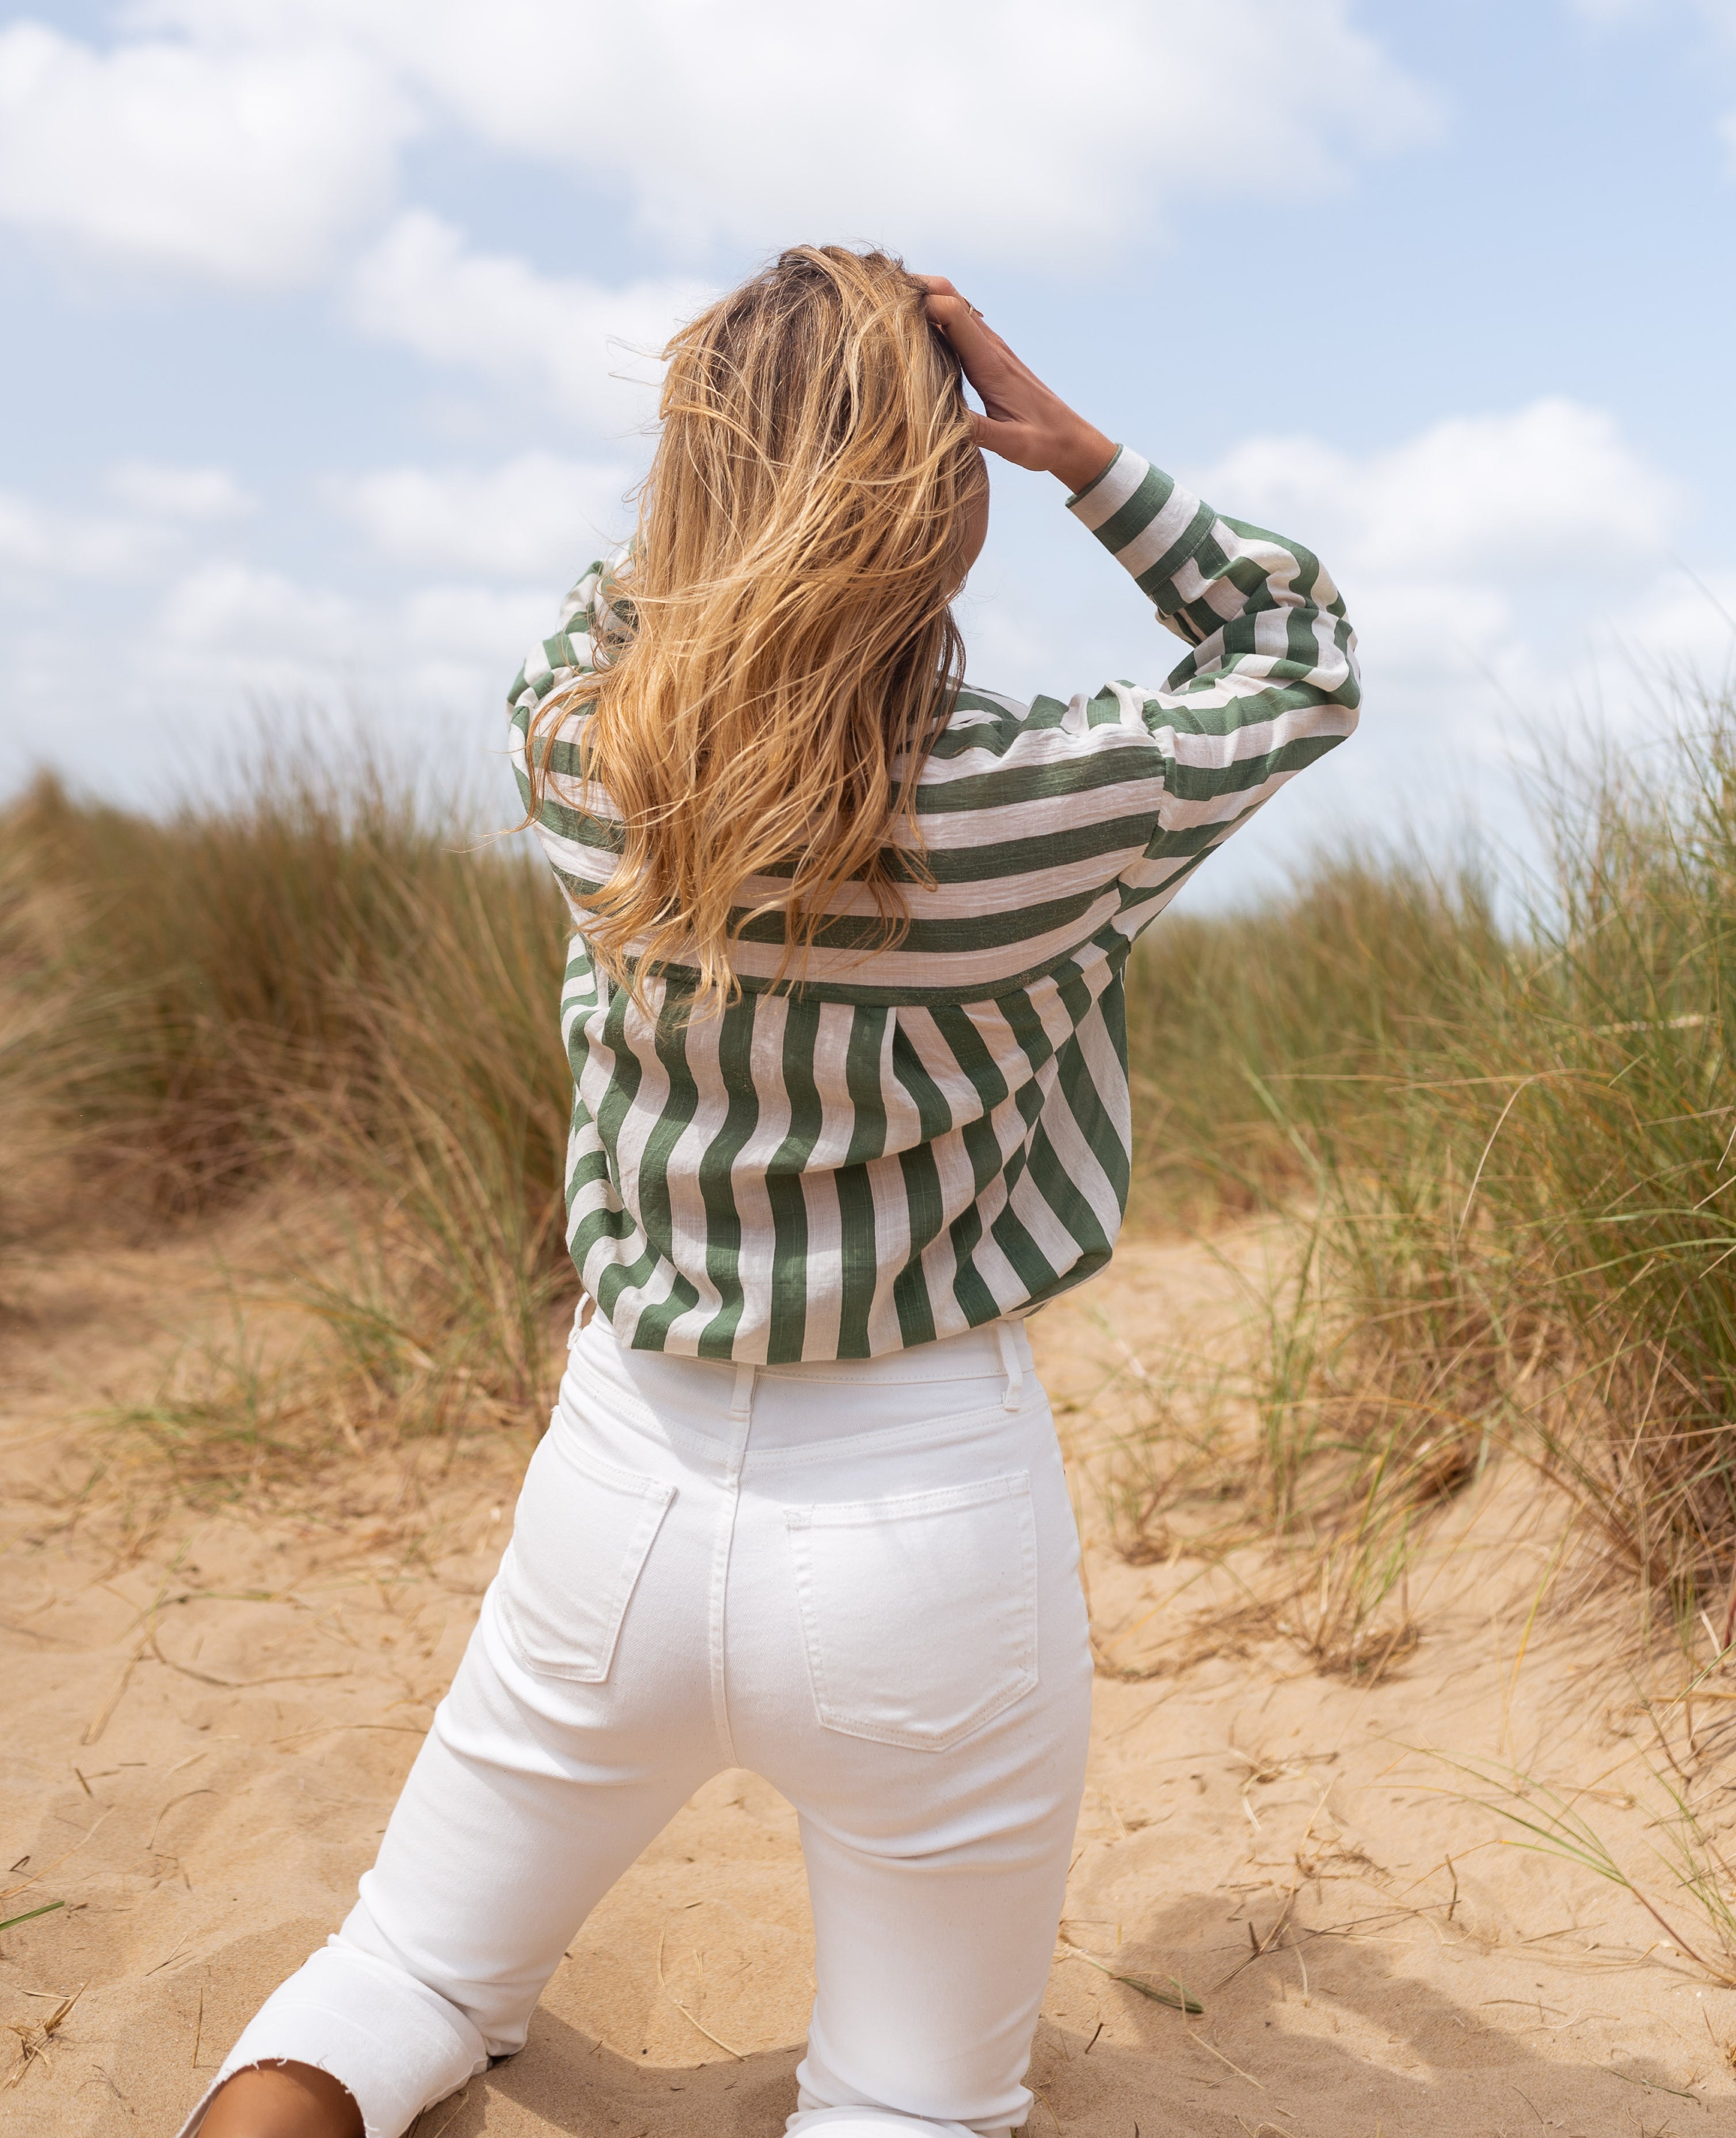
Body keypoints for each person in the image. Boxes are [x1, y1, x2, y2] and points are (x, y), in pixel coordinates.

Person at [177, 246, 1359, 2138]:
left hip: (614, 1492)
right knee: (905, 2100)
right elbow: (1300, 661)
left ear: (688, 495)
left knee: (397, 1977)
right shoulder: (1050, 797)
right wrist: (1082, 459)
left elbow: (607, 618)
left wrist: (727, 482)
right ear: (941, 514)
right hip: (924, 1525)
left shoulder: (587, 761)